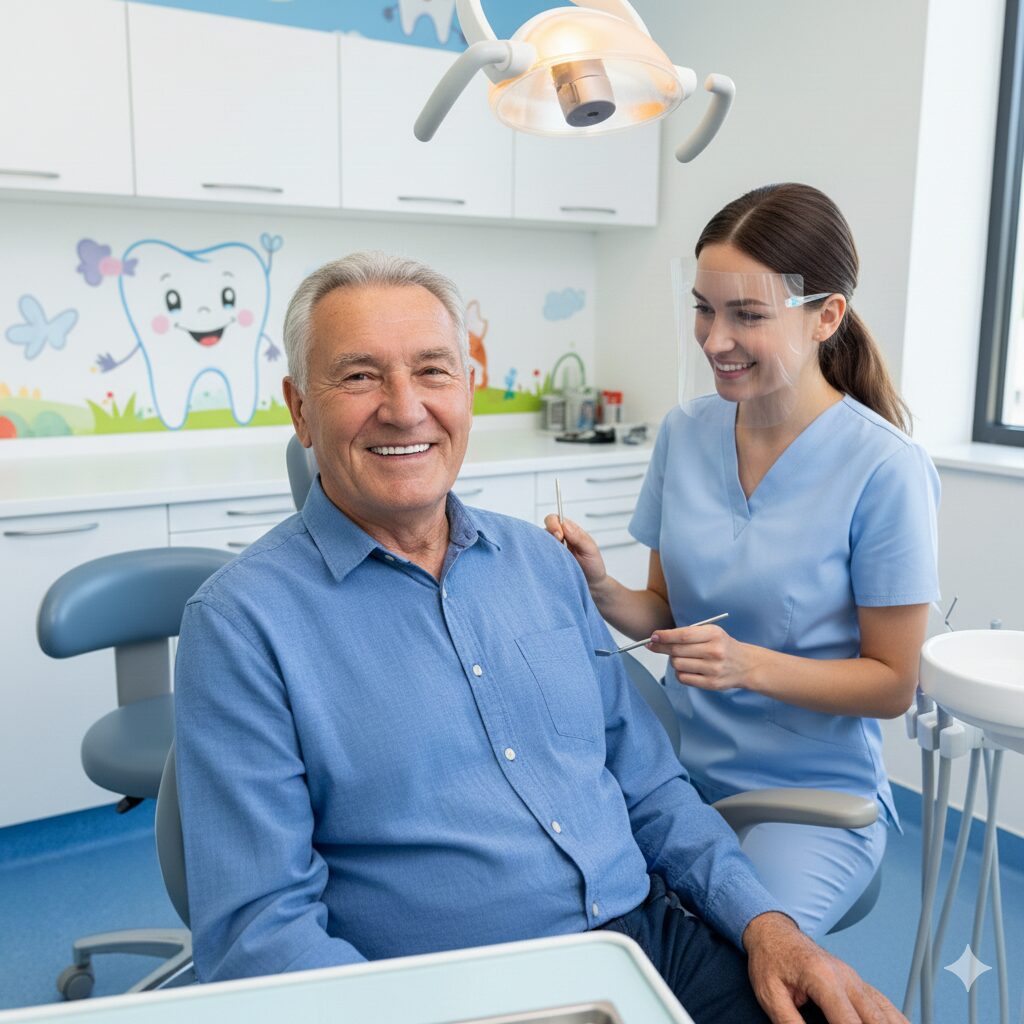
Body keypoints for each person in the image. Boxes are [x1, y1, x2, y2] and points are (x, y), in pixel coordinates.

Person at [173, 250, 907, 1024]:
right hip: (451, 992)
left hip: (647, 945)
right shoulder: (240, 626)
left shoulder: (540, 565)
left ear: (467, 389)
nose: (403, 407)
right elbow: (259, 933)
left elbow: (652, 788)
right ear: (298, 408)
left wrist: (768, 926)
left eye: (432, 370)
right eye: (359, 376)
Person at [546, 183, 941, 938]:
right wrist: (601, 583)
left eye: (747, 316)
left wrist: (747, 666)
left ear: (827, 316)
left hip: (809, 800)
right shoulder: (686, 433)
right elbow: (664, 611)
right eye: (704, 307)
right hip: (672, 780)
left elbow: (894, 684)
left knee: (743, 961)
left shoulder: (884, 469)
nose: (715, 338)